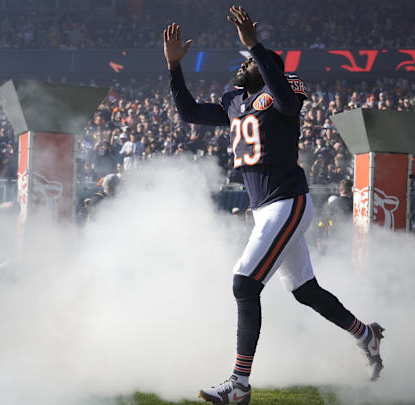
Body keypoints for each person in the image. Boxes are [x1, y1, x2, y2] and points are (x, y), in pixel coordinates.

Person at [164, 7, 384, 404]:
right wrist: (174, 68)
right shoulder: (235, 101)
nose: (242, 65)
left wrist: (257, 48)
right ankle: (366, 335)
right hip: (266, 206)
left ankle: (239, 385)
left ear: (266, 68)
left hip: (287, 200)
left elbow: (286, 102)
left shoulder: (281, 88)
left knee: (244, 284)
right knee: (305, 291)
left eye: (247, 63)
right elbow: (189, 112)